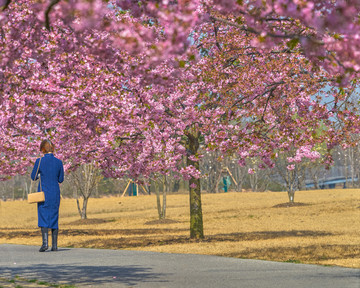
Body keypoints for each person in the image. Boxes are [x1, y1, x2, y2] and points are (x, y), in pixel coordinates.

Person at [31, 139, 64, 252]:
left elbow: (33, 177)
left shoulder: (39, 161)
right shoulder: (59, 162)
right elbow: (61, 179)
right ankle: (54, 245)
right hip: (55, 193)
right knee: (54, 216)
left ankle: (45, 243)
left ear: (42, 149)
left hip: (43, 192)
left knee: (43, 215)